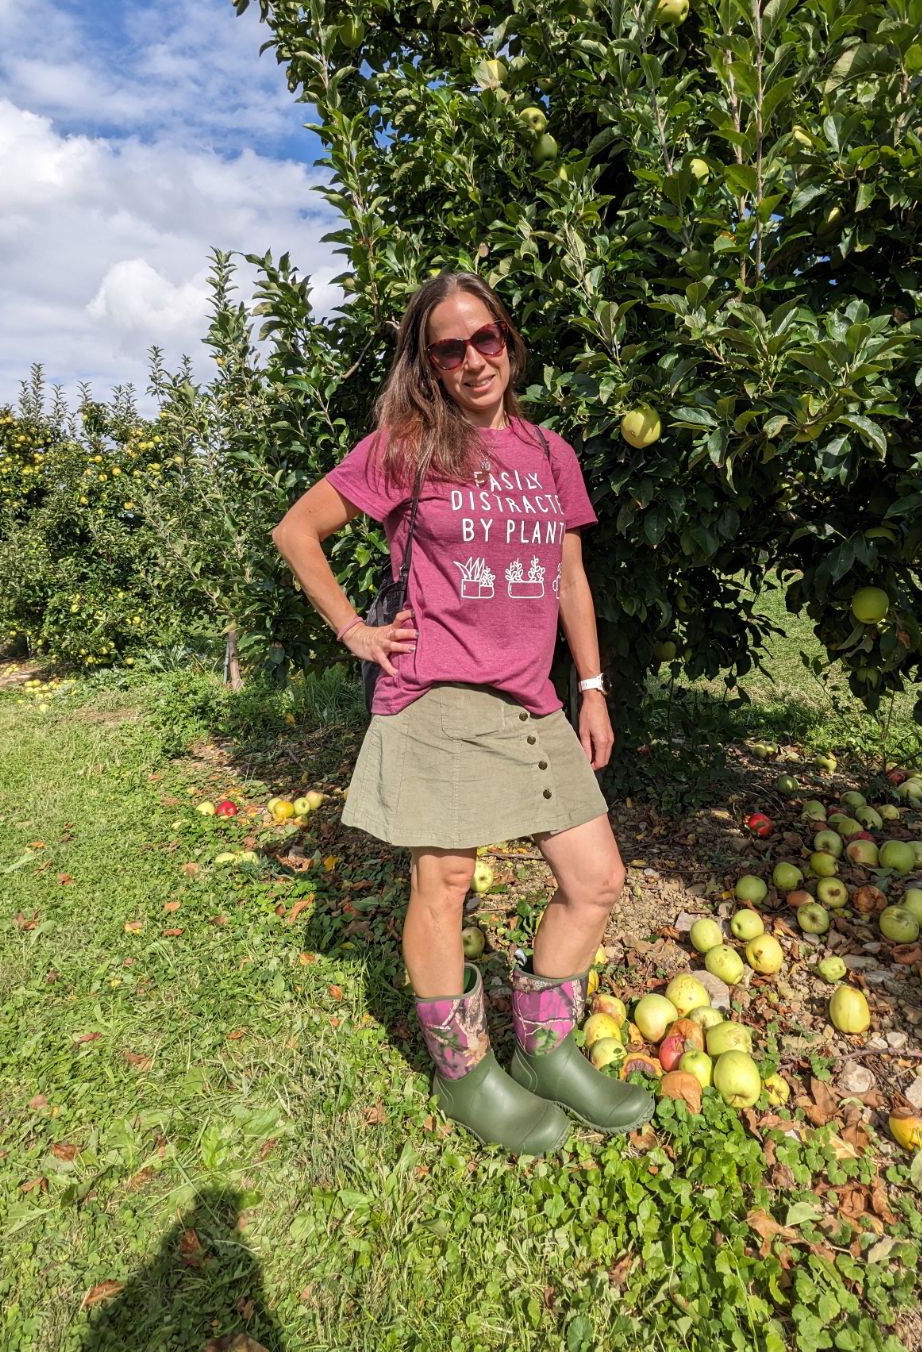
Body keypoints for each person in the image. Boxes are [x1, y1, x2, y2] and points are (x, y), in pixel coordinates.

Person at [271, 270, 652, 1155]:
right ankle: (466, 1073)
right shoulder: (408, 444)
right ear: (430, 364)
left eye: (486, 339)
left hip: (530, 701)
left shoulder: (551, 453)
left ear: (509, 343)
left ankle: (547, 1050)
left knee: (595, 879)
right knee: (442, 885)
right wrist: (355, 631)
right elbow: (299, 530)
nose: (474, 359)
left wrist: (591, 688)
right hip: (436, 696)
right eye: (451, 347)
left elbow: (569, 580)